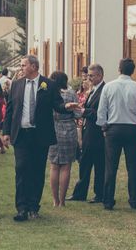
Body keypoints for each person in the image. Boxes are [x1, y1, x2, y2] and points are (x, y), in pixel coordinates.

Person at [2, 55, 80, 222]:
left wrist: (66, 106)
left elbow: (57, 104)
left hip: (40, 135)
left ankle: (33, 207)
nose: (20, 68)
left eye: (23, 65)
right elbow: (10, 110)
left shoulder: (49, 84)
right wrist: (6, 131)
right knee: (21, 168)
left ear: (34, 67)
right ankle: (21, 208)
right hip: (21, 134)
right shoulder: (16, 84)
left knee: (37, 171)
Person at [97, 58, 136, 210]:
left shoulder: (109, 87)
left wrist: (103, 125)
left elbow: (102, 110)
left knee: (110, 167)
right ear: (133, 71)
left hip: (113, 128)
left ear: (119, 69)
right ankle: (134, 200)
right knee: (133, 167)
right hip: (132, 129)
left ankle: (108, 200)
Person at [70, 63, 106, 203]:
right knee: (85, 163)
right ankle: (80, 192)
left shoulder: (104, 90)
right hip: (88, 131)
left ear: (99, 75)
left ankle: (99, 194)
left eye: (91, 75)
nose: (88, 78)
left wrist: (85, 112)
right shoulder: (93, 89)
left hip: (97, 132)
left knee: (99, 164)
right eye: (88, 76)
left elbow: (102, 113)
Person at [48, 71, 82, 207]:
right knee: (66, 166)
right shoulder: (71, 93)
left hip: (53, 128)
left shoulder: (49, 92)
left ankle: (55, 200)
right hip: (68, 129)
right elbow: (78, 113)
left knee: (54, 166)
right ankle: (62, 201)